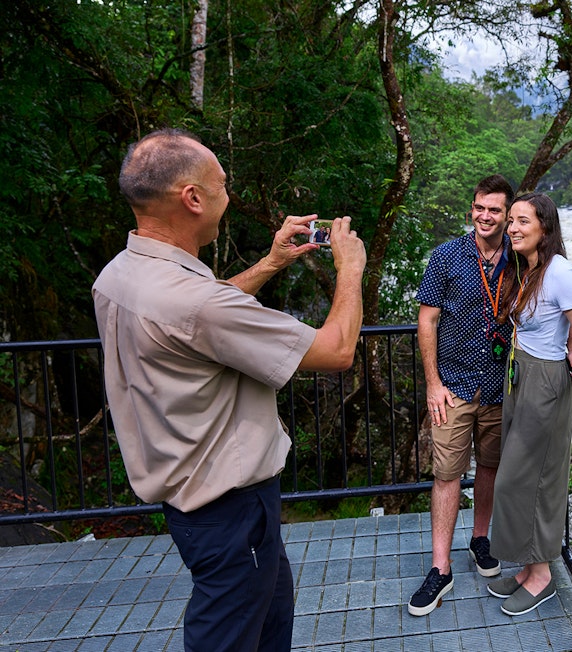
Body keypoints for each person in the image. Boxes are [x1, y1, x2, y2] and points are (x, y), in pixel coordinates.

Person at [92, 128, 367, 652]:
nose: (227, 194)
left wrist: (270, 263)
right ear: (192, 198)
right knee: (230, 635)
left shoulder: (120, 275)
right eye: (221, 184)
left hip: (191, 503)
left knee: (267, 617)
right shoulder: (195, 304)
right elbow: (336, 351)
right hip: (232, 509)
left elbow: (198, 313)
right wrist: (349, 269)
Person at [487, 192, 572, 616]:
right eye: (511, 220)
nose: (512, 228)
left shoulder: (562, 273)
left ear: (545, 227)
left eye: (522, 221)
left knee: (529, 481)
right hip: (520, 374)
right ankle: (531, 567)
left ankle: (542, 575)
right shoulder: (527, 269)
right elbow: (555, 325)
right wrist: (566, 342)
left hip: (545, 384)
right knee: (520, 480)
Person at [410, 174, 515, 616]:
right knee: (447, 475)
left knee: (489, 468)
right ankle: (441, 569)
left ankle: (480, 540)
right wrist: (433, 384)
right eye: (479, 208)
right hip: (451, 388)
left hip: (498, 386)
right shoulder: (447, 256)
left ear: (508, 214)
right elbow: (426, 321)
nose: (485, 216)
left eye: (494, 210)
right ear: (471, 208)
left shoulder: (520, 259)